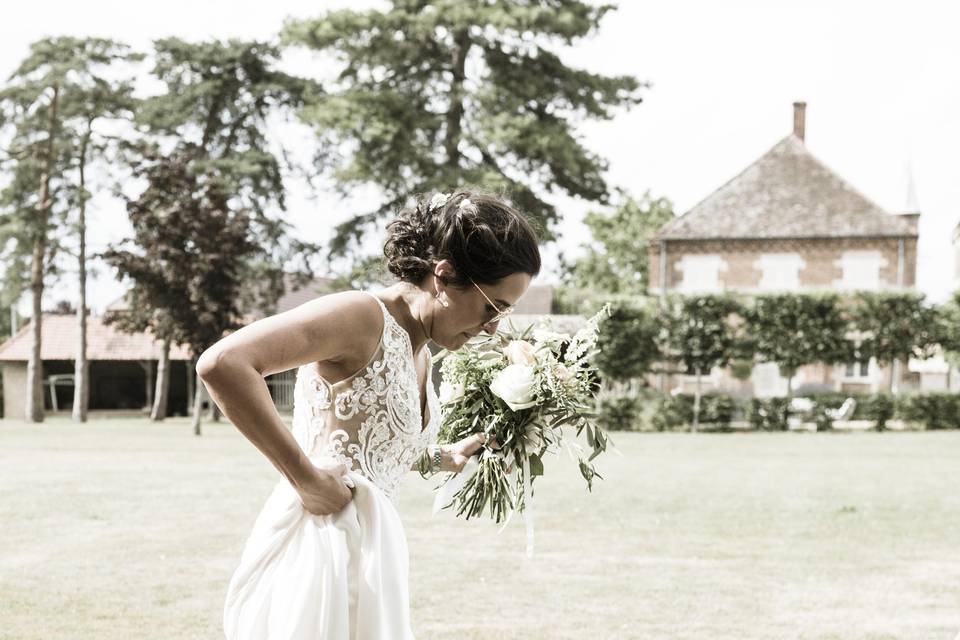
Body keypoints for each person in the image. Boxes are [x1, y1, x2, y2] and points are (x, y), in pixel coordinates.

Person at [197, 190, 541, 639]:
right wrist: (304, 477)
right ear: (445, 275)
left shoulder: (419, 350)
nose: (493, 326)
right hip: (321, 551)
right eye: (492, 306)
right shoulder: (361, 315)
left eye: (506, 311)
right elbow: (223, 364)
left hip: (374, 555)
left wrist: (442, 456)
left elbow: (374, 449)